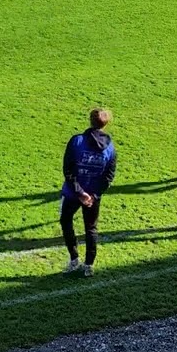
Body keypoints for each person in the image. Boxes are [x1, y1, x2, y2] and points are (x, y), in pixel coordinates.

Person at [60, 108, 118, 277]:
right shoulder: (110, 148)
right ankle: (88, 266)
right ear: (105, 124)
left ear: (90, 120)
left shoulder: (76, 141)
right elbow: (109, 176)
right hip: (93, 197)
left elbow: (68, 169)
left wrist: (80, 192)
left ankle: (74, 259)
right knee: (91, 229)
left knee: (66, 221)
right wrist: (94, 195)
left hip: (73, 193)